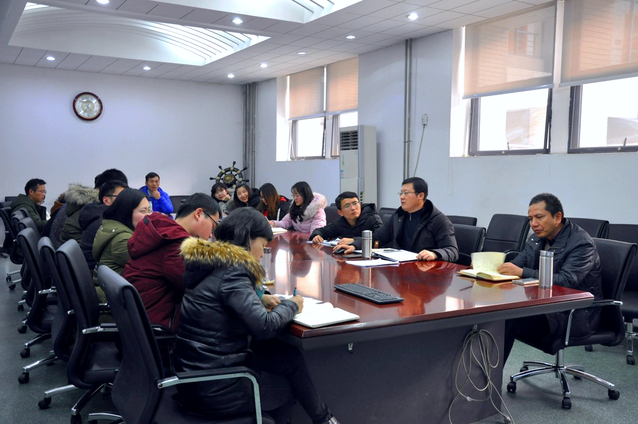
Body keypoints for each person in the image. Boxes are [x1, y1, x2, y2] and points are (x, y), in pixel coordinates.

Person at [175, 208, 339, 424]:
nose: (262, 254)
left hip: (194, 374)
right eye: (262, 245)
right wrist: (292, 304)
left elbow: (219, 297)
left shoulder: (210, 262)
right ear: (246, 239)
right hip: (217, 386)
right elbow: (264, 326)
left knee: (288, 356)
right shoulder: (234, 270)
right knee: (288, 388)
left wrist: (259, 299)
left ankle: (325, 419)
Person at [497, 193, 603, 363]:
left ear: (557, 217)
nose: (533, 224)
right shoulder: (536, 238)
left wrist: (522, 272)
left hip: (573, 315)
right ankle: (480, 374)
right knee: (496, 313)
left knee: (507, 317)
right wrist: (489, 268)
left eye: (539, 217)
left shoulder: (581, 243)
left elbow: (566, 281)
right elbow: (516, 265)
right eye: (530, 219)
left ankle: (488, 378)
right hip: (545, 307)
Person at [122, 193, 221, 331]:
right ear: (198, 214)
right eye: (213, 225)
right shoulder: (175, 245)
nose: (211, 234)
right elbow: (203, 289)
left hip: (141, 322)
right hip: (160, 331)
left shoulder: (163, 233)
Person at [339, 177, 458, 262]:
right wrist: (355, 245)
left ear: (421, 196)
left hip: (426, 272)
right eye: (400, 193)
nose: (402, 197)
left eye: (406, 193)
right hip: (401, 268)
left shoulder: (438, 220)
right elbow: (378, 237)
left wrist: (434, 253)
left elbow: (452, 251)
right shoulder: (399, 216)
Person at [92, 188, 149, 301]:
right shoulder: (123, 239)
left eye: (149, 210)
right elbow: (148, 267)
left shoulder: (111, 226)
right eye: (143, 211)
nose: (148, 216)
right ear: (127, 212)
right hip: (116, 299)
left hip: (110, 291)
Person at [79, 180, 128, 270]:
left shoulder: (96, 213)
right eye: (121, 197)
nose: (126, 201)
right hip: (96, 271)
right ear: (106, 200)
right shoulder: (104, 222)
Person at [310, 191, 383, 244]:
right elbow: (321, 231)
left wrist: (354, 240)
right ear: (340, 212)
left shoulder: (372, 219)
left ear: (360, 205)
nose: (353, 208)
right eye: (347, 206)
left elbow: (380, 239)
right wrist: (317, 236)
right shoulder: (341, 222)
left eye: (355, 203)